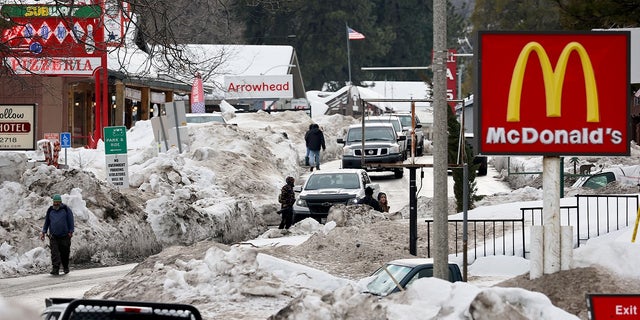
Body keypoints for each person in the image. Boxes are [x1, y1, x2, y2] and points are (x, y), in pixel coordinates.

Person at [40, 194, 75, 275]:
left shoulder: (66, 209)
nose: (55, 204)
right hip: (54, 236)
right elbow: (47, 222)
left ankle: (65, 267)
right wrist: (44, 232)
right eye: (54, 202)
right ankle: (55, 269)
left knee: (65, 253)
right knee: (54, 253)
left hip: (65, 236)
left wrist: (71, 231)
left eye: (57, 202)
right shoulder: (50, 210)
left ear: (60, 202)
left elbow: (71, 221)